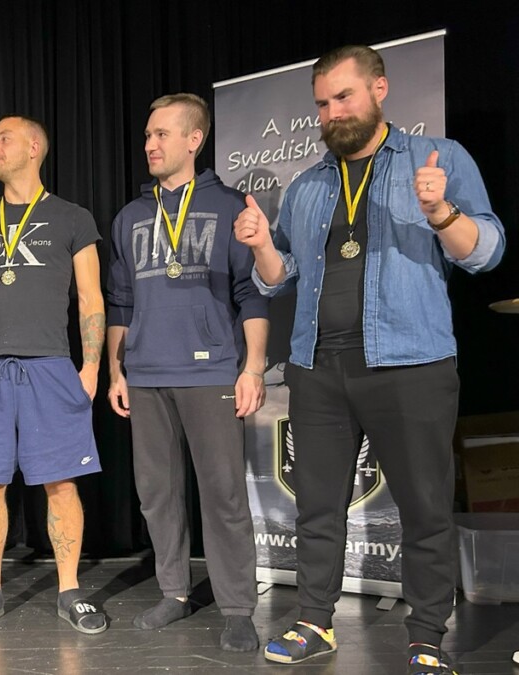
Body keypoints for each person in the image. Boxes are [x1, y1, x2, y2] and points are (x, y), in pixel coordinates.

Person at [234, 45, 504, 674]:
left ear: (379, 88)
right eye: (322, 104)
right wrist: (261, 246)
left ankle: (427, 636)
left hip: (410, 364)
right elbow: (280, 278)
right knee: (317, 507)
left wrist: (440, 212)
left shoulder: (437, 158)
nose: (332, 113)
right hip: (317, 367)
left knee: (424, 507)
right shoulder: (308, 185)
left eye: (344, 97)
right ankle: (314, 621)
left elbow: (485, 250)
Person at [106, 93, 268, 652]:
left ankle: (238, 608)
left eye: (162, 134)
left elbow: (253, 292)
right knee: (157, 493)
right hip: (146, 373)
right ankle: (174, 592)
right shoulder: (130, 216)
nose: (150, 144)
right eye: (147, 135)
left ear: (194, 140)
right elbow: (120, 302)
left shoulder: (229, 207)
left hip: (212, 371)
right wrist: (117, 370)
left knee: (223, 494)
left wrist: (253, 366)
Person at [0, 115, 108, 635]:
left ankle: (69, 591)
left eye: (4, 139)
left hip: (51, 367)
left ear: (34, 147)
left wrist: (91, 366)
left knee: (61, 482)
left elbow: (91, 297)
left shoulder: (73, 218)